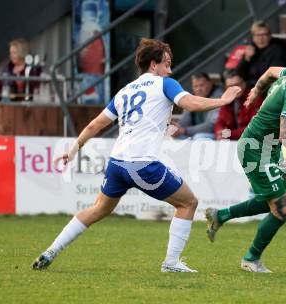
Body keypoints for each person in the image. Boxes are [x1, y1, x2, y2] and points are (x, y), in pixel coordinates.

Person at [31, 38, 241, 273]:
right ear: (154, 65)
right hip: (142, 164)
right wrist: (223, 100)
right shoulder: (165, 84)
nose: (170, 70)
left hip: (117, 163)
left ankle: (51, 250)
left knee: (98, 208)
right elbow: (190, 104)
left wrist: (72, 150)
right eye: (167, 64)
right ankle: (171, 263)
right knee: (188, 202)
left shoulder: (124, 91)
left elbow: (95, 125)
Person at [205, 49, 286, 273]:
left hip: (269, 149)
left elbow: (268, 73)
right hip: (256, 150)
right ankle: (250, 259)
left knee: (278, 200)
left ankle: (221, 215)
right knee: (282, 209)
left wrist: (256, 91)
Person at [236, 21, 286, 88]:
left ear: (270, 36)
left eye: (264, 34)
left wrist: (247, 84)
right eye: (258, 35)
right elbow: (238, 74)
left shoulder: (278, 50)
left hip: (267, 89)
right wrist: (246, 58)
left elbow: (272, 77)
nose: (261, 38)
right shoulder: (251, 49)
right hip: (250, 87)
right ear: (253, 37)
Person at [171, 72, 223, 140]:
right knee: (176, 136)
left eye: (202, 85)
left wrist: (185, 130)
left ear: (210, 84)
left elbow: (211, 125)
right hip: (196, 133)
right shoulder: (192, 99)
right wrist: (176, 128)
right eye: (196, 86)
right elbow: (184, 122)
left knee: (199, 137)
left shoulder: (218, 97)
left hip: (216, 134)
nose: (199, 89)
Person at [214, 70, 263, 140]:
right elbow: (220, 121)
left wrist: (227, 134)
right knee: (202, 137)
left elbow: (254, 128)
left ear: (244, 84)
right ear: (225, 87)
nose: (235, 89)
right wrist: (219, 131)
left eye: (237, 84)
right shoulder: (226, 98)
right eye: (230, 86)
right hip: (232, 139)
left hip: (254, 141)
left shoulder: (254, 98)